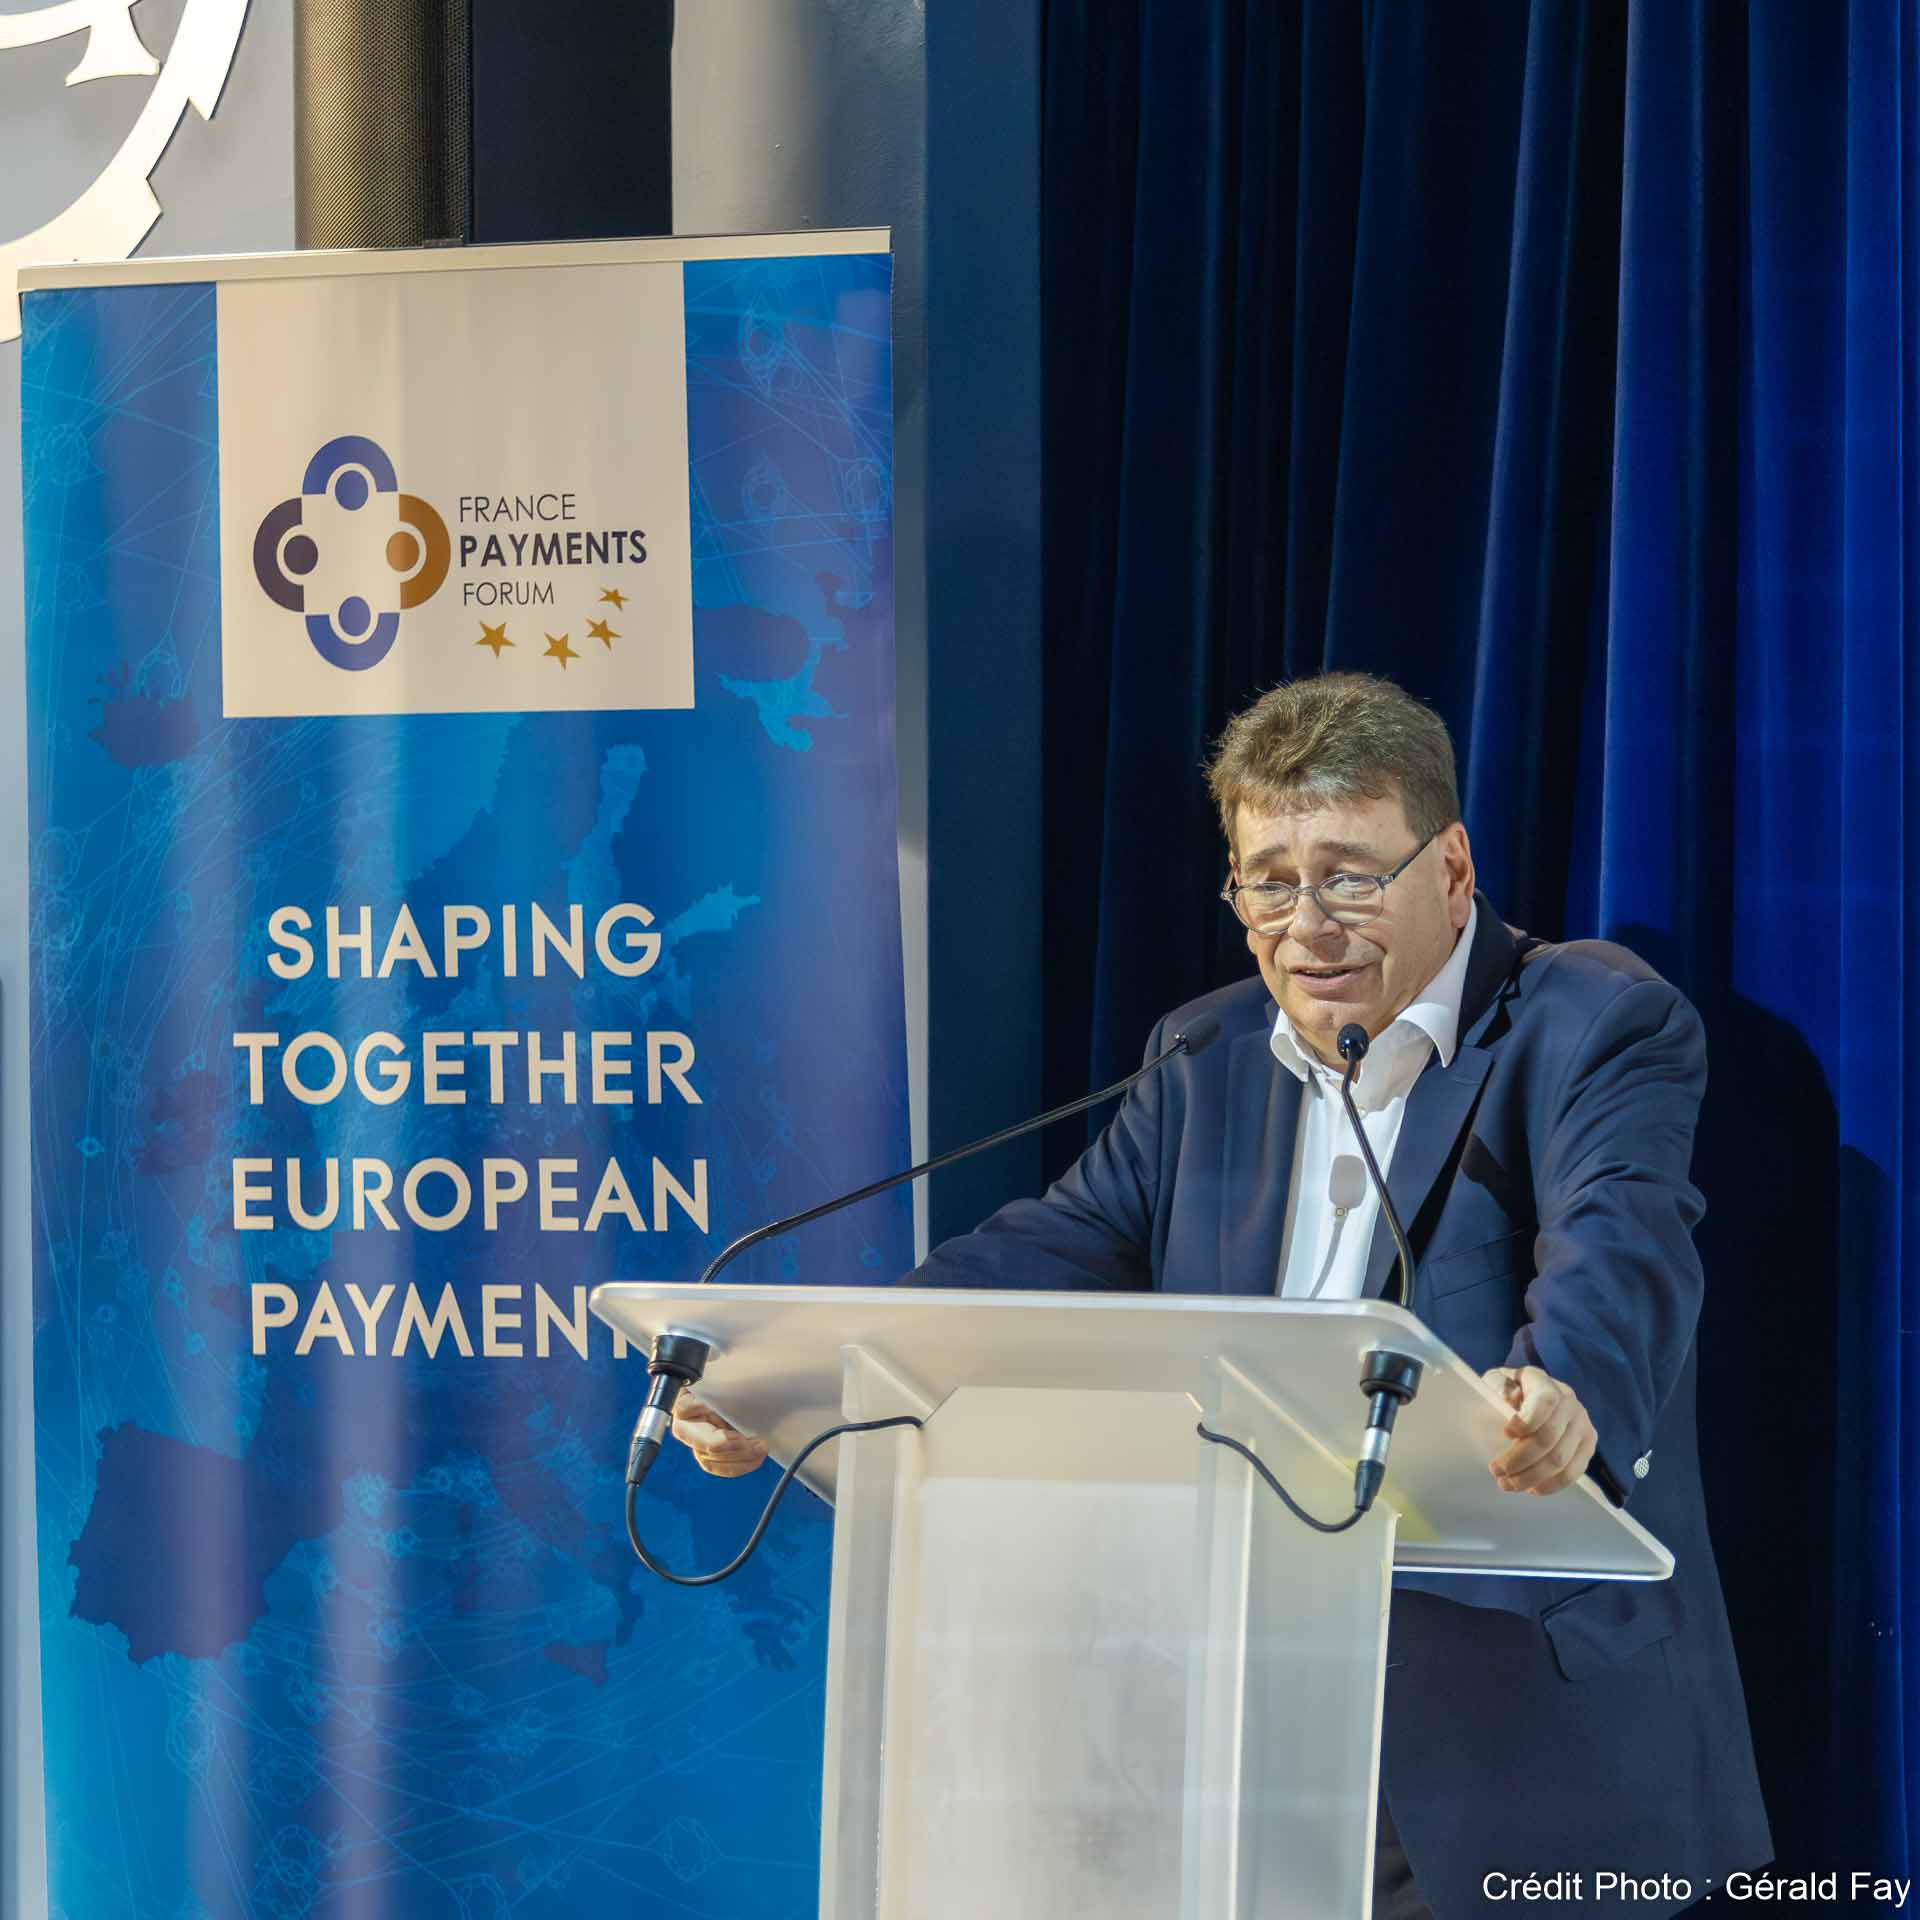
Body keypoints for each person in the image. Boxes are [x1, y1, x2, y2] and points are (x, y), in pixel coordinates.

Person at [674, 672, 1772, 1919]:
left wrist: (1565, 1397)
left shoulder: (1590, 1023)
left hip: (1514, 1753)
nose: (1307, 927)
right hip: (1242, 1744)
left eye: (1350, 877)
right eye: (1268, 883)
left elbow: (1620, 1249)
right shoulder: (1205, 1056)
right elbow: (1045, 1255)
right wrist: (808, 1373)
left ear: (1454, 869)